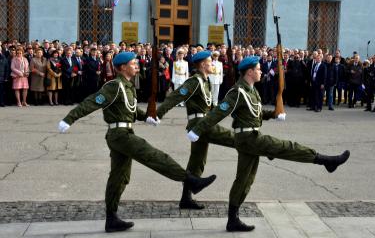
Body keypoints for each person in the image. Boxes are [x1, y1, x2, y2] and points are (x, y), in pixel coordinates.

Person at [57, 52, 216, 233]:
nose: (136, 66)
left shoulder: (127, 86)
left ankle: (111, 218)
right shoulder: (114, 86)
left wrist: (147, 117)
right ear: (123, 67)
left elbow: (130, 111)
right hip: (119, 135)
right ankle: (191, 180)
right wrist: (69, 119)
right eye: (133, 63)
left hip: (124, 132)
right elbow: (92, 102)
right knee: (154, 156)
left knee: (119, 178)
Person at [187, 56, 350, 232]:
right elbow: (217, 113)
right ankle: (326, 160)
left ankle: (232, 220)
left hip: (250, 138)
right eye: (258, 69)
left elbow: (255, 113)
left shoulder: (252, 90)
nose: (261, 71)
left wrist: (273, 114)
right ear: (249, 72)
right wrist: (198, 130)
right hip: (248, 139)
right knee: (286, 147)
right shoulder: (237, 92)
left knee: (244, 180)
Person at [149, 51, 235, 210]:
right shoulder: (195, 81)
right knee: (235, 138)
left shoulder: (204, 80)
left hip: (203, 122)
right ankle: (261, 146)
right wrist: (158, 114)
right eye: (210, 62)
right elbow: (175, 96)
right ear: (202, 64)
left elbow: (209, 105)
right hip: (200, 124)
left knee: (197, 162)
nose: (212, 64)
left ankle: (185, 199)